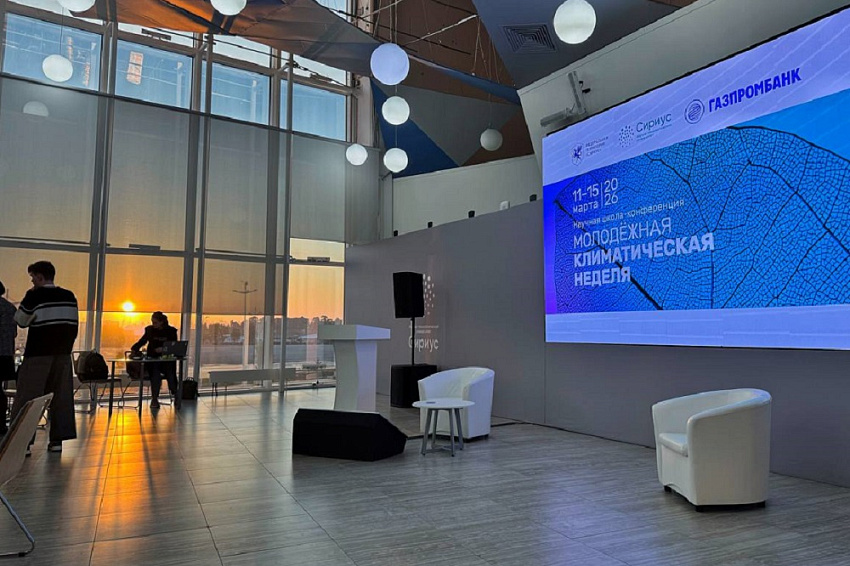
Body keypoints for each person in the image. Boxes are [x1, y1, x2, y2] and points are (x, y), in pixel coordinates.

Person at [11, 261, 78, 452]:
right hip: (63, 354)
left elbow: (21, 320)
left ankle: (22, 443)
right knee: (61, 397)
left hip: (38, 354)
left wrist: (29, 296)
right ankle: (57, 441)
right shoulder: (69, 296)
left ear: (40, 277)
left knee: (28, 398)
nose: (32, 281)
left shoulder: (35, 295)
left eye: (33, 277)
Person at [131, 311, 178, 409]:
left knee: (170, 372)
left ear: (162, 322)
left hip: (166, 360)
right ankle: (155, 399)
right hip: (153, 360)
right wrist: (134, 349)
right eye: (152, 322)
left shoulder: (171, 331)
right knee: (155, 374)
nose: (153, 324)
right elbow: (142, 341)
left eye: (155, 322)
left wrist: (164, 349)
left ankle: (175, 393)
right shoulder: (150, 330)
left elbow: (174, 346)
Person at [0, 281, 17, 436]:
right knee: (1, 391)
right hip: (5, 355)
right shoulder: (11, 308)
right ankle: (1, 423)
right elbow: (14, 333)